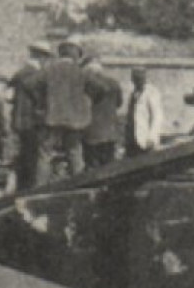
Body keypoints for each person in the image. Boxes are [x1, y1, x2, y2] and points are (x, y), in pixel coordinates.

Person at [42, 40, 91, 178]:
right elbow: (99, 87)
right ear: (75, 54)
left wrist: (42, 101)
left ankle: (40, 187)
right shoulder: (82, 72)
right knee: (75, 151)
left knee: (46, 153)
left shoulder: (48, 70)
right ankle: (80, 185)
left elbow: (30, 84)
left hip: (52, 118)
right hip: (76, 121)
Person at [9, 42, 51, 191]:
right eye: (46, 58)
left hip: (18, 121)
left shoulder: (19, 73)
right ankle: (32, 190)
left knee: (23, 156)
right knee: (34, 158)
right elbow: (39, 100)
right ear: (41, 57)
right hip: (32, 122)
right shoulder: (37, 75)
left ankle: (21, 188)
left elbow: (11, 98)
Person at [79, 53, 124, 168]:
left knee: (93, 168)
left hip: (92, 134)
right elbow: (119, 103)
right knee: (109, 166)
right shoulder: (114, 82)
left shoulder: (87, 85)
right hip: (111, 132)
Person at [124, 66, 164, 157]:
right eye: (135, 78)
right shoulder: (132, 93)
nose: (137, 80)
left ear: (144, 77)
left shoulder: (151, 92)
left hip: (144, 139)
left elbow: (157, 116)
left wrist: (152, 137)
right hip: (131, 139)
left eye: (140, 77)